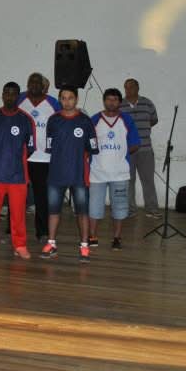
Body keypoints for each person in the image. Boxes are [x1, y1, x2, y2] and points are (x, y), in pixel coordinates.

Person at [0, 81, 36, 259]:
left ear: (18, 96)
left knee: (18, 214)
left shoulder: (26, 119)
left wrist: (14, 159)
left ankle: (20, 245)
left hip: (18, 175)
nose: (9, 96)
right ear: (2, 95)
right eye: (6, 93)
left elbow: (30, 148)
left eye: (13, 93)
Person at [41, 86, 99, 263]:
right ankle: (51, 244)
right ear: (60, 99)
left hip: (78, 175)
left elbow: (92, 148)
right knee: (53, 210)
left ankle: (84, 246)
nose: (67, 101)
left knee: (82, 212)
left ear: (77, 99)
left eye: (70, 98)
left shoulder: (85, 121)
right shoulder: (53, 120)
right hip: (56, 174)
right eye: (63, 98)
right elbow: (50, 147)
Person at [90, 88, 141, 250]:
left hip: (120, 173)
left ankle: (117, 238)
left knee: (119, 207)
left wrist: (121, 154)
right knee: (94, 207)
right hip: (97, 172)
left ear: (120, 102)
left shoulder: (126, 120)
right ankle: (92, 236)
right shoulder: (94, 119)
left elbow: (135, 143)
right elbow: (87, 142)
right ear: (104, 101)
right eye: (108, 99)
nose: (111, 102)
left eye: (115, 99)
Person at [17, 72, 61, 245]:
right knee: (18, 195)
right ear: (28, 84)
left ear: (44, 86)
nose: (34, 85)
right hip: (21, 156)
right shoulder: (20, 100)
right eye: (31, 82)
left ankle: (42, 231)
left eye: (37, 82)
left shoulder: (53, 103)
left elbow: (60, 124)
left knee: (41, 196)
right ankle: (13, 229)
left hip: (44, 158)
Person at [120, 78, 160, 218]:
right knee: (129, 181)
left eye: (131, 87)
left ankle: (152, 209)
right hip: (128, 150)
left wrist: (141, 129)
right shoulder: (120, 105)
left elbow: (153, 120)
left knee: (148, 180)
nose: (128, 90)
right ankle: (130, 210)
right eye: (126, 88)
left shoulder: (147, 103)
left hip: (146, 150)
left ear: (137, 88)